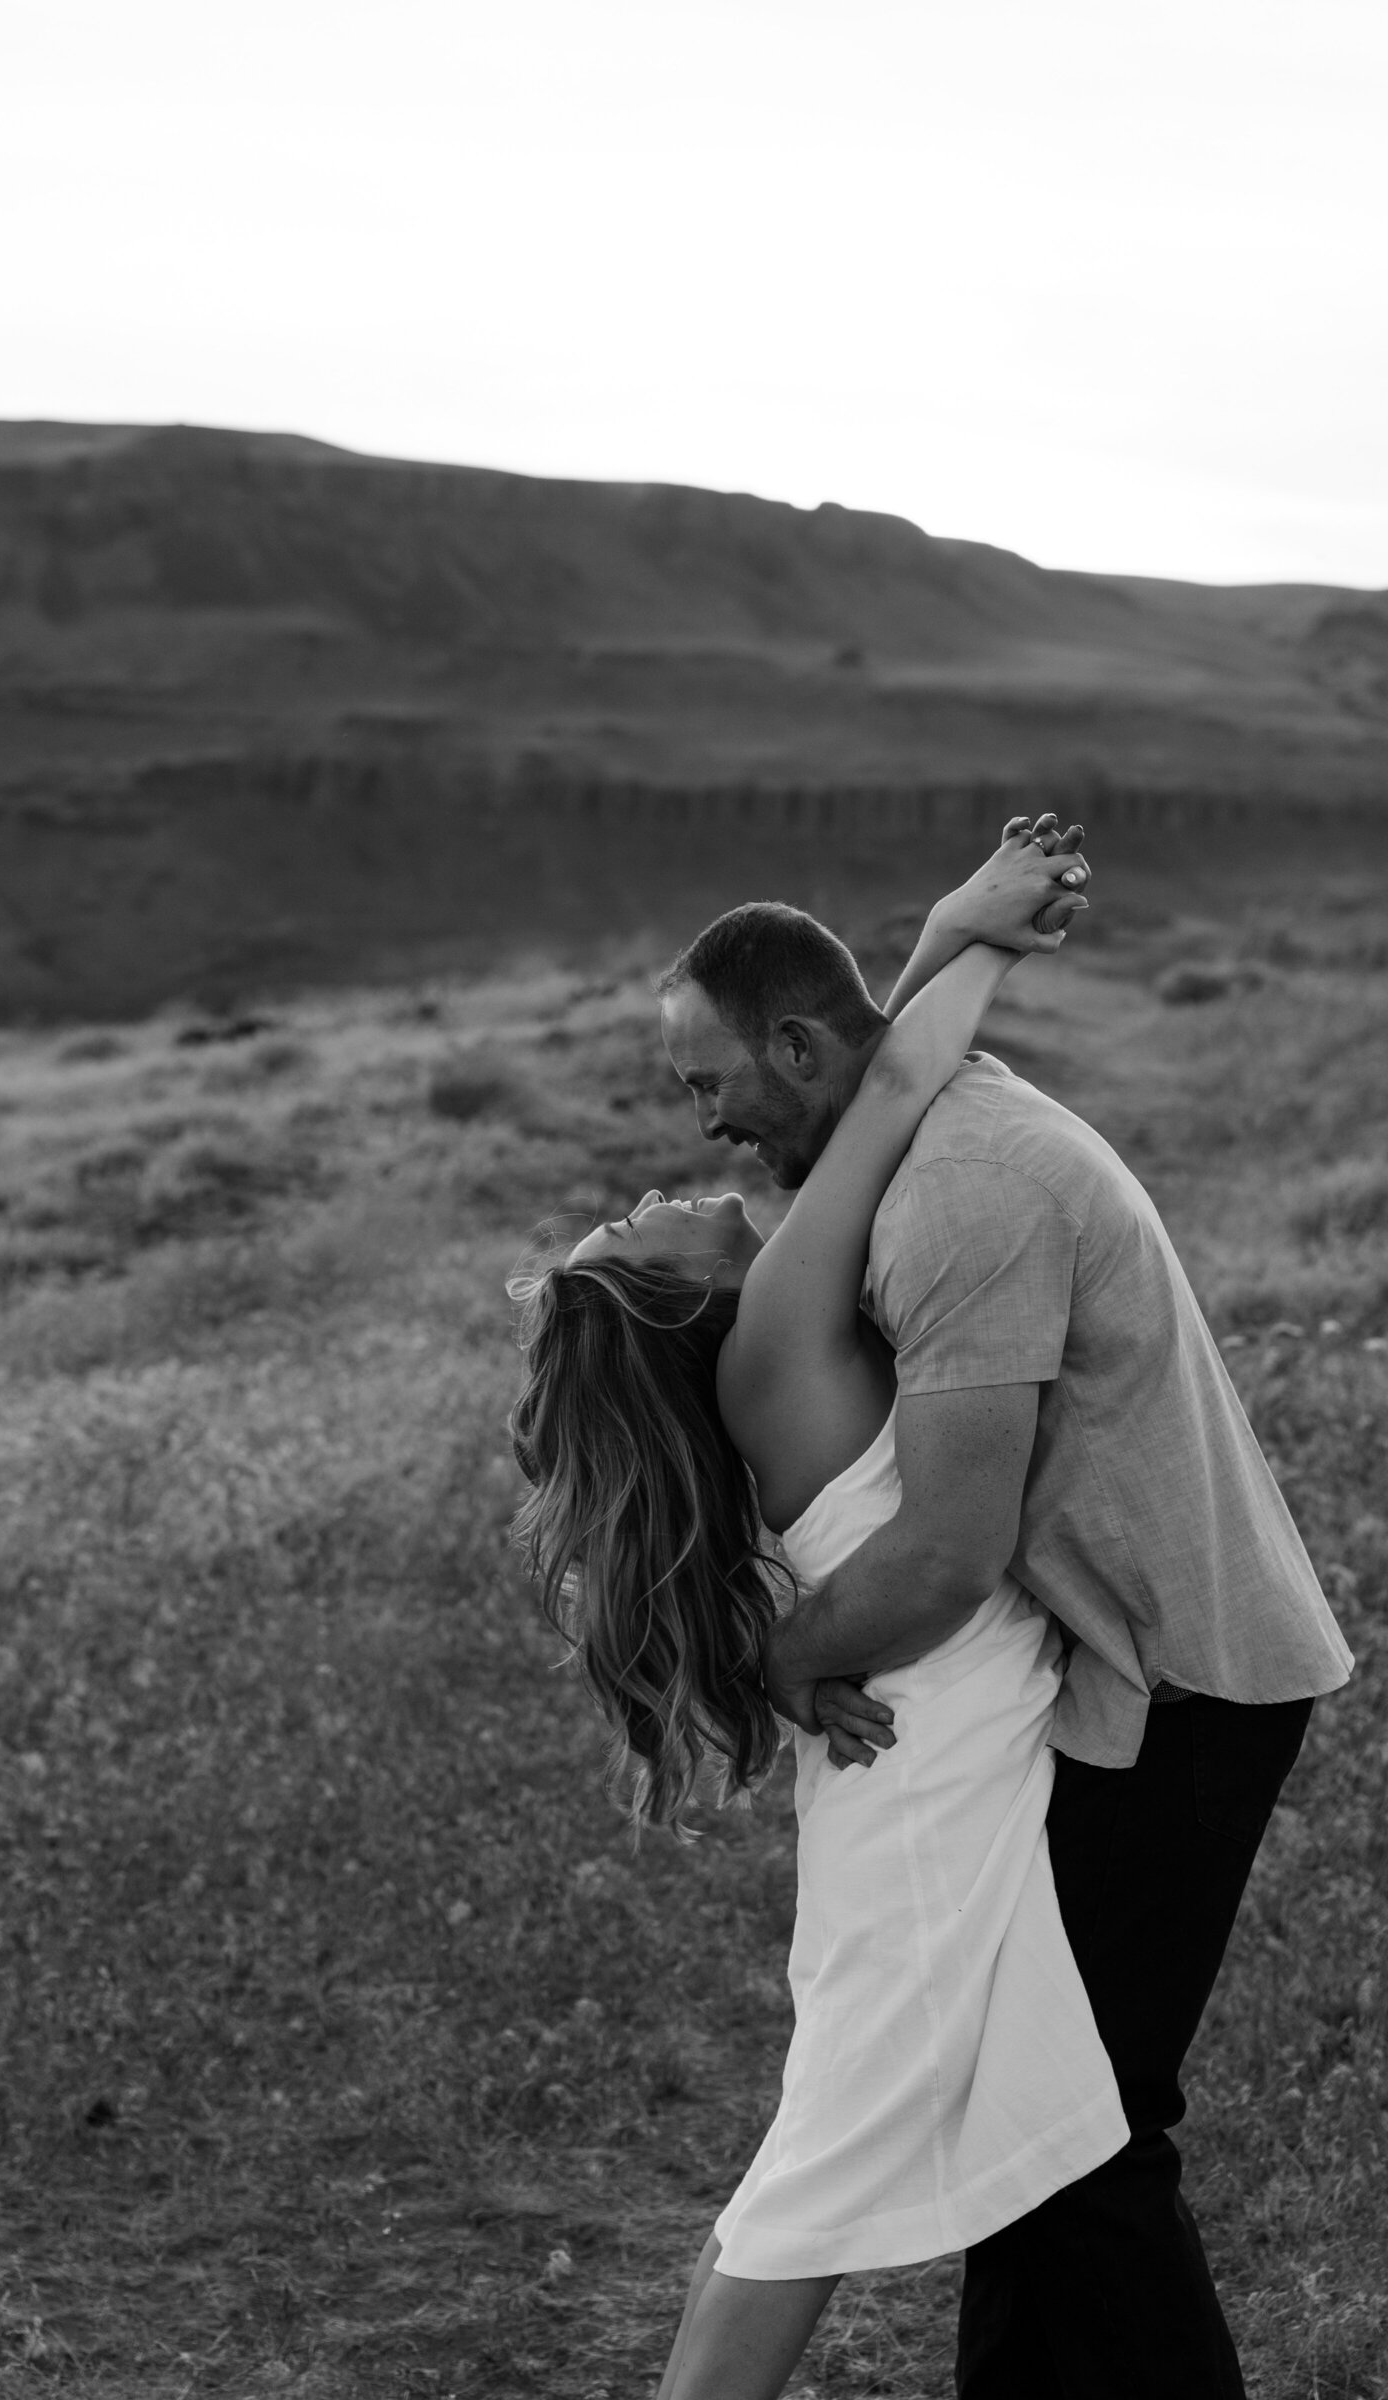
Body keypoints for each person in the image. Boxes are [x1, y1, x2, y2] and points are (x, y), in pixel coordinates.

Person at [654, 821, 1355, 2400]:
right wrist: (963, 928)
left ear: (796, 1044)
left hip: (1179, 1680)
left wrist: (769, 1658)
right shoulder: (895, 1140)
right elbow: (882, 1074)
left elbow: (953, 1555)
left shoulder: (955, 1196)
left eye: (712, 1085)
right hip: (1127, 1661)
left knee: (1087, 2132)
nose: (700, 1126)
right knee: (1038, 2126)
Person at [512, 825, 1119, 2400]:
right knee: (811, 2191)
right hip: (925, 1789)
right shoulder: (777, 1323)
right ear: (663, 1295)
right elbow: (895, 1087)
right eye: (630, 1225)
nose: (659, 1185)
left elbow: (851, 1080)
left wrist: (948, 941)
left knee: (810, 2151)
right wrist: (965, 928)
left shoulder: (781, 1334)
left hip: (919, 1772)